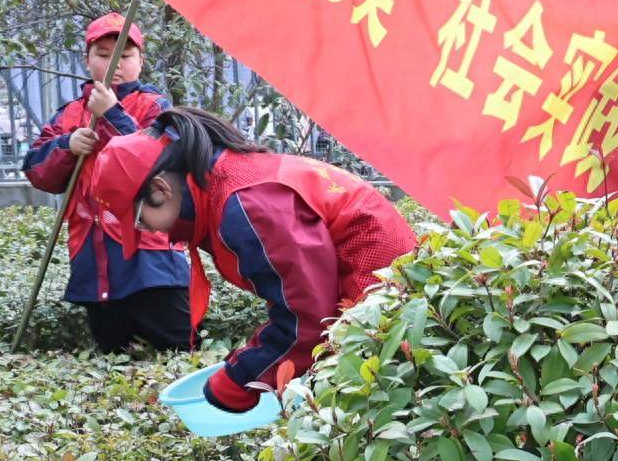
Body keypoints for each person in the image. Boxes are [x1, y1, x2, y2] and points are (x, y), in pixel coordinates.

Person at [77, 108, 417, 412]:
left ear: (161, 190)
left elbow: (309, 320)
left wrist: (240, 377)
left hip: (377, 279)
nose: (148, 231)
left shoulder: (246, 204)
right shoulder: (221, 184)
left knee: (366, 403)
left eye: (139, 221)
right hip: (369, 277)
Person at [22, 12, 194, 354]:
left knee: (179, 350)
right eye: (103, 54)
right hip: (92, 255)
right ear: (87, 60)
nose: (115, 63)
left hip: (151, 255)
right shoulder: (69, 114)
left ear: (140, 62)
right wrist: (66, 147)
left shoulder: (156, 107)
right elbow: (36, 169)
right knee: (111, 360)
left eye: (125, 55)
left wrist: (114, 114)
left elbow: (158, 162)